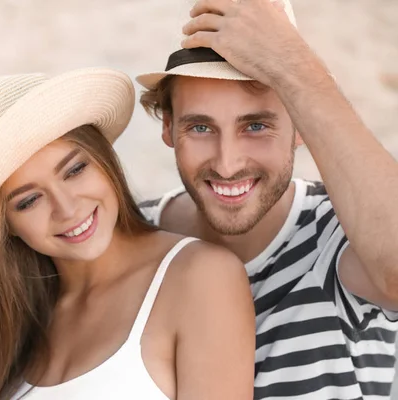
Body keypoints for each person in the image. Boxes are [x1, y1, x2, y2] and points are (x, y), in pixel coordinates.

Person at [0, 67, 255, 400]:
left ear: (104, 158)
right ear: (6, 226)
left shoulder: (200, 277)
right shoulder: (12, 316)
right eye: (28, 201)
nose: (67, 208)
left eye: (74, 170)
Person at [136, 0, 398, 399]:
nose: (227, 165)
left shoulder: (338, 231)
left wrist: (291, 64)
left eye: (256, 125)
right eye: (201, 127)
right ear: (168, 128)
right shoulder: (134, 236)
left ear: (301, 126)